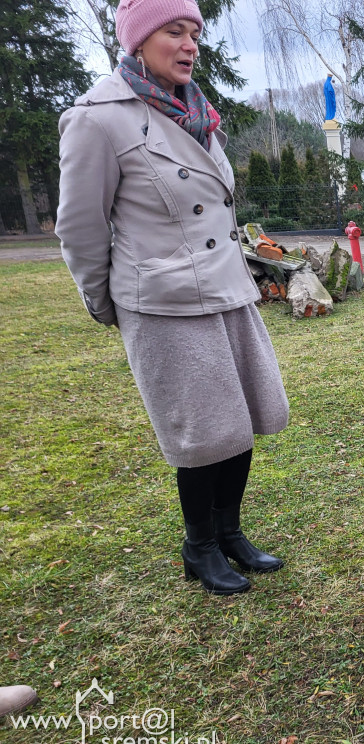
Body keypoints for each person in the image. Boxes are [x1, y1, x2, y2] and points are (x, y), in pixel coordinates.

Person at [55, 0, 289, 596]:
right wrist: (104, 301)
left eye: (194, 34)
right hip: (163, 300)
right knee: (203, 433)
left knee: (242, 423)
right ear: (138, 40)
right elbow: (79, 227)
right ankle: (199, 546)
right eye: (173, 32)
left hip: (227, 289)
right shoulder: (97, 118)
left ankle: (231, 532)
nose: (189, 45)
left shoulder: (197, 112)